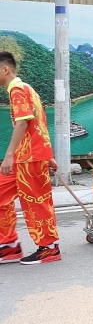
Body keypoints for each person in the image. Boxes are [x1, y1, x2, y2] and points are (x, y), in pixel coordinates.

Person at [0, 51, 60, 264]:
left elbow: (23, 123)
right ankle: (8, 245)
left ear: (5, 69)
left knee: (37, 202)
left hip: (28, 158)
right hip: (25, 157)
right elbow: (40, 124)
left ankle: (49, 247)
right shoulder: (26, 89)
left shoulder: (17, 89)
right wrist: (49, 156)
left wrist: (8, 156)